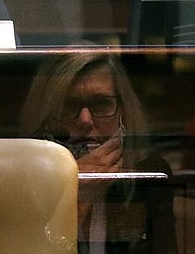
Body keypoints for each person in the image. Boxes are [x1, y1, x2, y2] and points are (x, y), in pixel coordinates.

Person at [19, 46, 176, 253]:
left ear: (123, 113)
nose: (85, 120)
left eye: (101, 104)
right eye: (68, 105)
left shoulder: (148, 173)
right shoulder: (22, 179)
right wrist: (75, 195)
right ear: (46, 117)